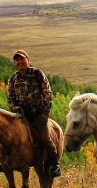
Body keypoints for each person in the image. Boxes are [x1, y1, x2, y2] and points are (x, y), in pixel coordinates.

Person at [7, 49, 60, 177]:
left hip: (38, 115)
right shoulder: (13, 78)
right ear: (15, 63)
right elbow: (10, 98)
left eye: (22, 59)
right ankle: (7, 161)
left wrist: (45, 114)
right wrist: (14, 108)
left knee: (46, 139)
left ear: (28, 60)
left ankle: (54, 165)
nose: (20, 62)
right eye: (17, 60)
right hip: (22, 116)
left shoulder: (37, 73)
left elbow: (47, 94)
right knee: (9, 137)